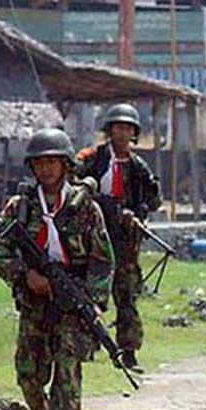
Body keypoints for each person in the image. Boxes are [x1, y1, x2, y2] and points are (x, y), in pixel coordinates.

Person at [0, 128, 114, 410]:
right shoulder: (20, 207)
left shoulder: (84, 208)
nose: (46, 169)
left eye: (53, 162)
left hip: (72, 298)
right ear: (32, 167)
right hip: (34, 300)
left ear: (65, 165)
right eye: (40, 163)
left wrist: (93, 301)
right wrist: (23, 274)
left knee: (66, 373)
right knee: (28, 375)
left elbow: (103, 259)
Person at [75, 103, 161, 373]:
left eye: (127, 129)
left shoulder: (138, 166)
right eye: (117, 128)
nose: (122, 134)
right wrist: (108, 206)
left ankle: (129, 350)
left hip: (125, 241)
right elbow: (74, 184)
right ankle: (88, 345)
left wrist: (136, 214)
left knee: (127, 296)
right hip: (94, 237)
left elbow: (153, 200)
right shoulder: (93, 158)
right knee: (89, 292)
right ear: (109, 130)